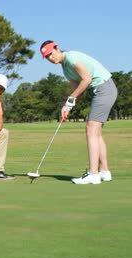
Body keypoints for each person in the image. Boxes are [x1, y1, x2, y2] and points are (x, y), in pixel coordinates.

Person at [40, 41, 118, 184]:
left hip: (104, 89)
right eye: (47, 57)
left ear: (57, 48)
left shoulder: (70, 57)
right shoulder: (65, 68)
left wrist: (71, 99)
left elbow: (87, 79)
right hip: (101, 91)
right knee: (96, 132)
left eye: (51, 54)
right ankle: (104, 171)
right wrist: (68, 107)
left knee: (91, 129)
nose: (50, 58)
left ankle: (93, 174)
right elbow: (77, 90)